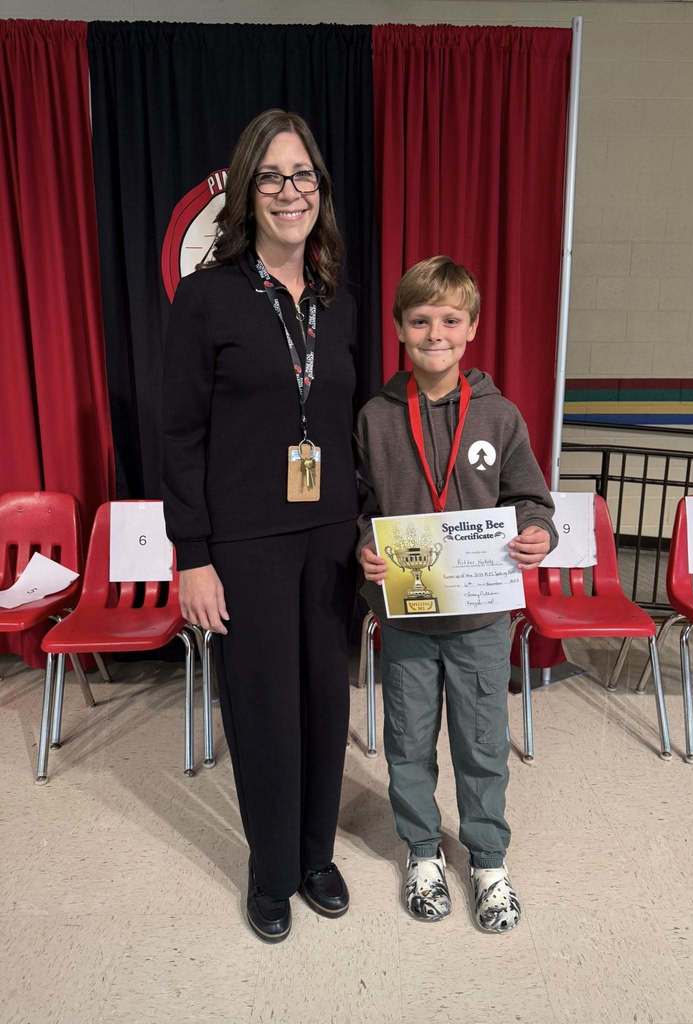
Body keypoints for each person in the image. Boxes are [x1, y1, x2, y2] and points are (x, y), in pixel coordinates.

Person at [162, 109, 359, 943]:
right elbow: (178, 435)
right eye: (273, 177)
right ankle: (272, 868)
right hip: (244, 545)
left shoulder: (334, 302)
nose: (290, 192)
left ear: (320, 188)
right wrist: (193, 556)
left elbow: (349, 425)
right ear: (248, 189)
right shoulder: (207, 298)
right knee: (265, 709)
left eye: (303, 175)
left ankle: (317, 854)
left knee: (323, 703)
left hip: (331, 538)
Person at [356, 256, 557, 933]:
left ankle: (489, 859)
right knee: (408, 741)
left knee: (481, 742)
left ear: (470, 328)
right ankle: (421, 851)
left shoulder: (499, 416)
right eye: (420, 320)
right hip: (407, 618)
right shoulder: (376, 417)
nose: (434, 332)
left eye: (448, 319)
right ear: (400, 329)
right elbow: (359, 506)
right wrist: (362, 550)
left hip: (479, 618)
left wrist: (536, 532)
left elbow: (530, 497)